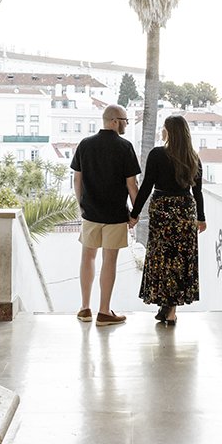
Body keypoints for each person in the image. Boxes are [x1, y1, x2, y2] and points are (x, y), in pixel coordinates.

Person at [128, 114, 206, 327]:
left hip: (162, 209)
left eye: (164, 127)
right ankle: (169, 310)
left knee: (161, 257)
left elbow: (145, 187)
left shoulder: (157, 154)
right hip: (185, 210)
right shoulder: (193, 157)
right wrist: (201, 218)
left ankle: (167, 307)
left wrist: (134, 214)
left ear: (169, 132)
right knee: (180, 259)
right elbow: (197, 191)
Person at [71, 104, 141, 326]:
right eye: (125, 120)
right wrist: (135, 212)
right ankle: (104, 312)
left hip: (90, 213)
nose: (126, 124)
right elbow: (132, 184)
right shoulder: (125, 147)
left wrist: (81, 204)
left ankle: (84, 308)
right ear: (114, 120)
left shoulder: (85, 144)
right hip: (115, 215)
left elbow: (77, 179)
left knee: (87, 257)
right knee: (109, 261)